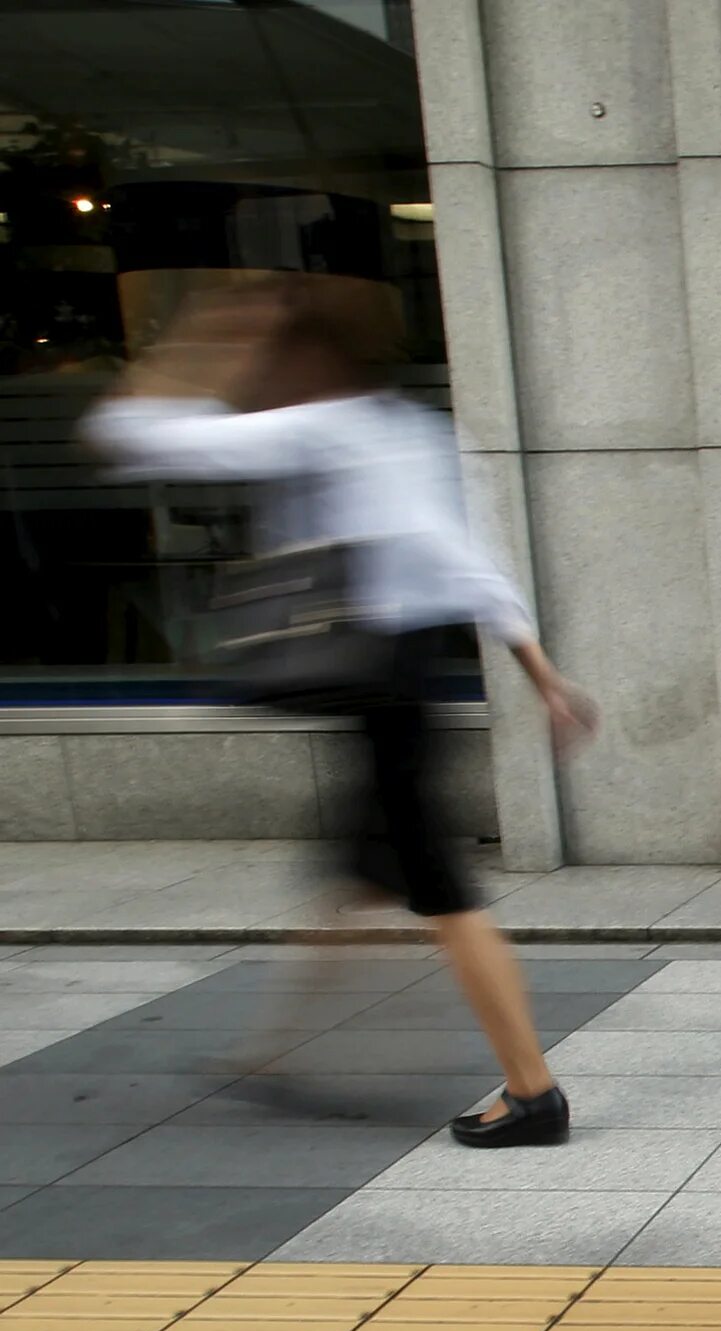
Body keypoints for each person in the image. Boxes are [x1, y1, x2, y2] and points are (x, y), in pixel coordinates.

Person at [83, 280, 598, 1148]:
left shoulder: (328, 426)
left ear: (305, 357)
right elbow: (474, 562)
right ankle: (275, 1051)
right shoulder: (418, 431)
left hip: (380, 679)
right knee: (353, 872)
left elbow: (131, 435)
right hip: (404, 680)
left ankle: (533, 1092)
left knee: (441, 890)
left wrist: (205, 339)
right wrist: (542, 674)